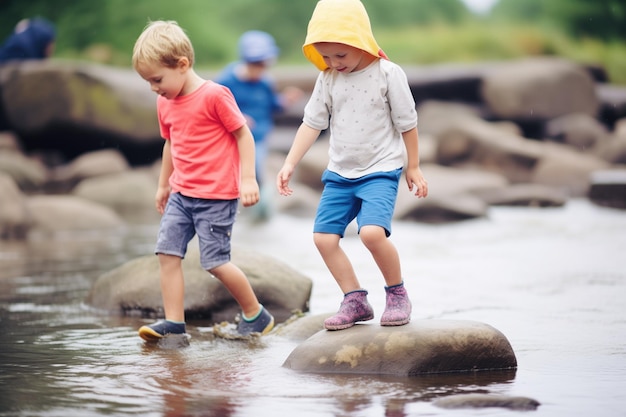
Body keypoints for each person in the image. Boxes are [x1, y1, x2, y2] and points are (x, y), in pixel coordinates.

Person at [276, 0, 429, 331]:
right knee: (323, 239)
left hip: (380, 170)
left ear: (361, 42)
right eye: (326, 56)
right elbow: (311, 124)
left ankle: (397, 293)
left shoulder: (388, 74)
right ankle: (355, 300)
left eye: (340, 55)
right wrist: (290, 162)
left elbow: (408, 123)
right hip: (340, 174)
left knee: (372, 233)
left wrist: (412, 166)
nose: (333, 63)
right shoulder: (328, 78)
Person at [132, 20, 274, 342]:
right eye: (148, 82)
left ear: (182, 65)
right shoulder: (164, 102)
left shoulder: (214, 95)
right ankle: (174, 323)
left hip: (216, 196)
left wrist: (248, 179)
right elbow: (171, 142)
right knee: (167, 254)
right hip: (182, 193)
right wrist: (163, 184)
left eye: (157, 79)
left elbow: (244, 135)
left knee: (215, 263)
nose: (154, 88)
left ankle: (255, 313)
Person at [216, 30, 302, 221]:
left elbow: (273, 106)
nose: (260, 70)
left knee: (256, 171)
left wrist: (285, 100)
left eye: (264, 65)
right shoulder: (227, 81)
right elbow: (215, 107)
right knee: (233, 173)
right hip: (233, 139)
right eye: (256, 65)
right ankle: (232, 210)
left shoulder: (265, 82)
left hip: (258, 138)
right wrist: (238, 116)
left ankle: (260, 211)